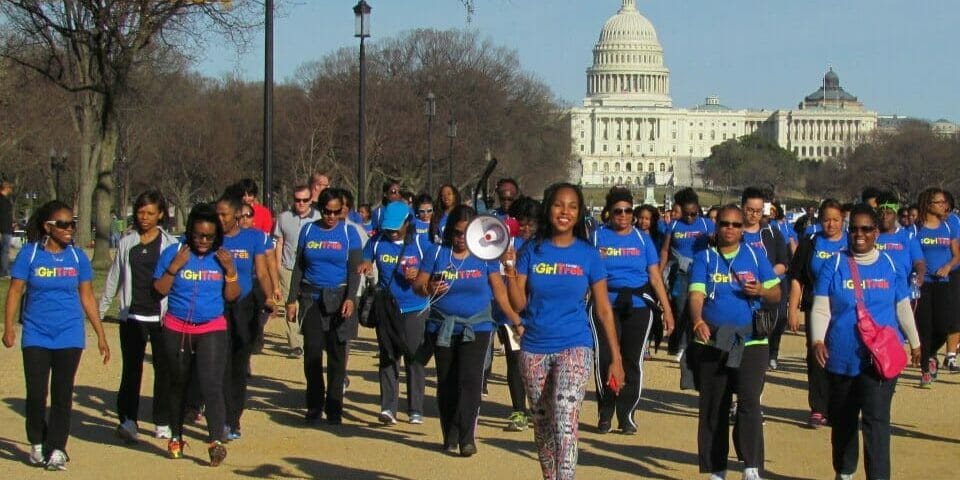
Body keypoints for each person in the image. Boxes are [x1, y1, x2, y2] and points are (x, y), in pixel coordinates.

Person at [502, 182, 625, 479]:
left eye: (572, 206)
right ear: (549, 209)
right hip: (534, 345)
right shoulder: (532, 251)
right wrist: (512, 273)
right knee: (543, 422)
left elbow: (604, 308)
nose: (565, 212)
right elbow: (518, 304)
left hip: (575, 343)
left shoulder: (589, 255)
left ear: (580, 212)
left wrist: (616, 357)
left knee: (564, 416)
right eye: (559, 205)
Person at [810, 204, 921, 480]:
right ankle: (845, 471)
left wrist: (916, 343)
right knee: (844, 421)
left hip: (880, 358)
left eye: (867, 229)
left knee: (876, 420)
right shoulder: (833, 264)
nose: (860, 234)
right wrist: (817, 340)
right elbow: (822, 307)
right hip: (842, 355)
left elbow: (902, 306)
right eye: (855, 229)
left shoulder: (891, 264)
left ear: (876, 233)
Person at [2, 200, 111, 470]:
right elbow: (15, 291)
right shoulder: (30, 254)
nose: (69, 229)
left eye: (72, 224)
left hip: (69, 333)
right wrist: (8, 328)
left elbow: (86, 297)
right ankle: (37, 442)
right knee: (36, 394)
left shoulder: (77, 258)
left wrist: (100, 334)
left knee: (63, 393)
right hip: (36, 333)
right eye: (62, 225)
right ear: (47, 227)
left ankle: (58, 448)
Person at [413, 205, 520, 457]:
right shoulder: (436, 252)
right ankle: (449, 433)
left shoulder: (486, 256)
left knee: (470, 380)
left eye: (465, 232)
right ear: (449, 231)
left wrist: (516, 319)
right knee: (448, 381)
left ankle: (467, 436)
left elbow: (499, 291)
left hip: (478, 325)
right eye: (456, 232)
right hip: (442, 326)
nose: (460, 238)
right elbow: (418, 284)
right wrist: (429, 287)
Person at [688, 204, 781, 480]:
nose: (730, 229)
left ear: (743, 230)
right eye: (725, 224)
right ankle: (717, 468)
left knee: (750, 400)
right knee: (714, 405)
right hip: (714, 339)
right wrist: (697, 321)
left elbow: (776, 293)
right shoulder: (704, 258)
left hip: (750, 340)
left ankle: (751, 467)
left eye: (736, 225)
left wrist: (761, 290)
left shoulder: (754, 255)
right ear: (717, 227)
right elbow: (696, 296)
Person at [153, 203, 238, 466]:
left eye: (210, 236)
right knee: (178, 383)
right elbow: (159, 290)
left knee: (211, 384)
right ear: (190, 232)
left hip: (211, 326)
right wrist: (174, 267)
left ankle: (215, 441)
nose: (203, 241)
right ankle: (176, 435)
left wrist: (231, 272)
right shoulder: (174, 252)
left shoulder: (221, 256)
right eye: (199, 235)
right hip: (177, 326)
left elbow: (232, 296)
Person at [591, 188, 674, 434]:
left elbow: (655, 276)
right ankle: (605, 411)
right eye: (618, 211)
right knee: (605, 358)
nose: (624, 216)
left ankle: (626, 413)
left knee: (632, 360)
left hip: (637, 304)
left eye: (629, 211)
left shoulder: (642, 239)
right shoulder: (597, 237)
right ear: (609, 212)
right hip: (606, 303)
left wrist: (667, 310)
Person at [99, 190, 179, 442]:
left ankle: (162, 421)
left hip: (162, 317)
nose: (144, 217)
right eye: (140, 212)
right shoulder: (126, 243)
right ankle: (128, 420)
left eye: (150, 213)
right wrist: (100, 312)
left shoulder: (171, 245)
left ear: (161, 215)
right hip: (132, 316)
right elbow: (114, 278)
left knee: (164, 370)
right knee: (131, 371)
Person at [286, 189, 362, 425]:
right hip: (311, 297)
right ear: (320, 209)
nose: (330, 216)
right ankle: (314, 404)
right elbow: (298, 266)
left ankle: (335, 405)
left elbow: (354, 270)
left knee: (338, 355)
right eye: (326, 211)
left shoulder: (350, 233)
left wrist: (350, 298)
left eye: (335, 212)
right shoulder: (308, 230)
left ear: (342, 210)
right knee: (312, 352)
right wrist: (291, 299)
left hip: (339, 297)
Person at [359, 202, 430, 425]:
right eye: (388, 228)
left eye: (396, 228)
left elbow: (435, 270)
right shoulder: (377, 240)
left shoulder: (421, 242)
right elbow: (365, 258)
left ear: (408, 223)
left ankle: (415, 408)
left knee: (413, 356)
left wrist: (419, 273)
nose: (392, 232)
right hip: (386, 306)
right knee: (388, 355)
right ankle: (388, 407)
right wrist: (366, 266)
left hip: (415, 307)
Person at [216, 193, 273, 441]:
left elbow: (260, 271)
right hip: (216, 306)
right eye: (216, 214)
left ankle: (233, 419)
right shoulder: (211, 239)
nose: (219, 219)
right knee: (219, 363)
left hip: (244, 306)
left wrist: (270, 296)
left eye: (224, 214)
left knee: (238, 364)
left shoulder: (253, 238)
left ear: (237, 215)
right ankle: (216, 414)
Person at [788, 199, 846, 428]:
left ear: (843, 220)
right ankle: (818, 408)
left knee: (842, 353)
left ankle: (840, 405)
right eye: (826, 219)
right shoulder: (810, 243)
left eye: (835, 220)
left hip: (844, 307)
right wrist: (792, 309)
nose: (830, 224)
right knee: (816, 354)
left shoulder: (852, 242)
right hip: (815, 306)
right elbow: (796, 278)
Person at [497, 197, 539, 432]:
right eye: (521, 223)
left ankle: (538, 407)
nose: (526, 228)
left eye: (530, 223)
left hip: (538, 311)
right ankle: (518, 410)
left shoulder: (543, 245)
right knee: (515, 362)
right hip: (511, 312)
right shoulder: (505, 243)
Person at [912, 187, 960, 386]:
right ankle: (926, 369)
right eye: (939, 203)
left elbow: (957, 254)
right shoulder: (916, 228)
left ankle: (931, 354)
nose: (944, 206)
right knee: (924, 326)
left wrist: (948, 266)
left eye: (944, 202)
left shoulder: (948, 227)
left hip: (943, 283)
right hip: (924, 284)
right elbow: (911, 255)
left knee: (943, 325)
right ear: (928, 205)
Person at [660, 188, 715, 360]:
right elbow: (665, 250)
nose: (690, 218)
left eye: (693, 214)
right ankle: (682, 346)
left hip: (702, 272)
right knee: (682, 308)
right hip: (681, 273)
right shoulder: (674, 225)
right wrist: (659, 273)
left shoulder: (707, 224)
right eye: (687, 214)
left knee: (702, 308)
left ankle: (699, 342)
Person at [740, 188, 790, 371]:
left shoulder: (772, 233)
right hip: (741, 290)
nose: (754, 215)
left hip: (770, 289)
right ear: (742, 207)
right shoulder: (734, 232)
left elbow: (783, 263)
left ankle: (770, 355)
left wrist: (765, 278)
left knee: (772, 325)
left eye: (758, 211)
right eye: (750, 210)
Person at [274, 185, 321, 356]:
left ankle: (310, 335)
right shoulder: (283, 217)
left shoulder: (319, 217)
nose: (300, 203)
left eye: (304, 200)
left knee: (308, 304)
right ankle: (295, 343)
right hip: (288, 267)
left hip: (310, 268)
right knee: (290, 304)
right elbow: (279, 242)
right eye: (297, 200)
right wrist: (278, 266)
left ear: (310, 200)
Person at [0, 181, 13, 277]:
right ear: (6, 188)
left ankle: (4, 270)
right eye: (10, 188)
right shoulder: (3, 201)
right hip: (4, 229)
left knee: (4, 250)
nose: (11, 190)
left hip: (6, 228)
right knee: (5, 250)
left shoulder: (5, 200)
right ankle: (4, 271)